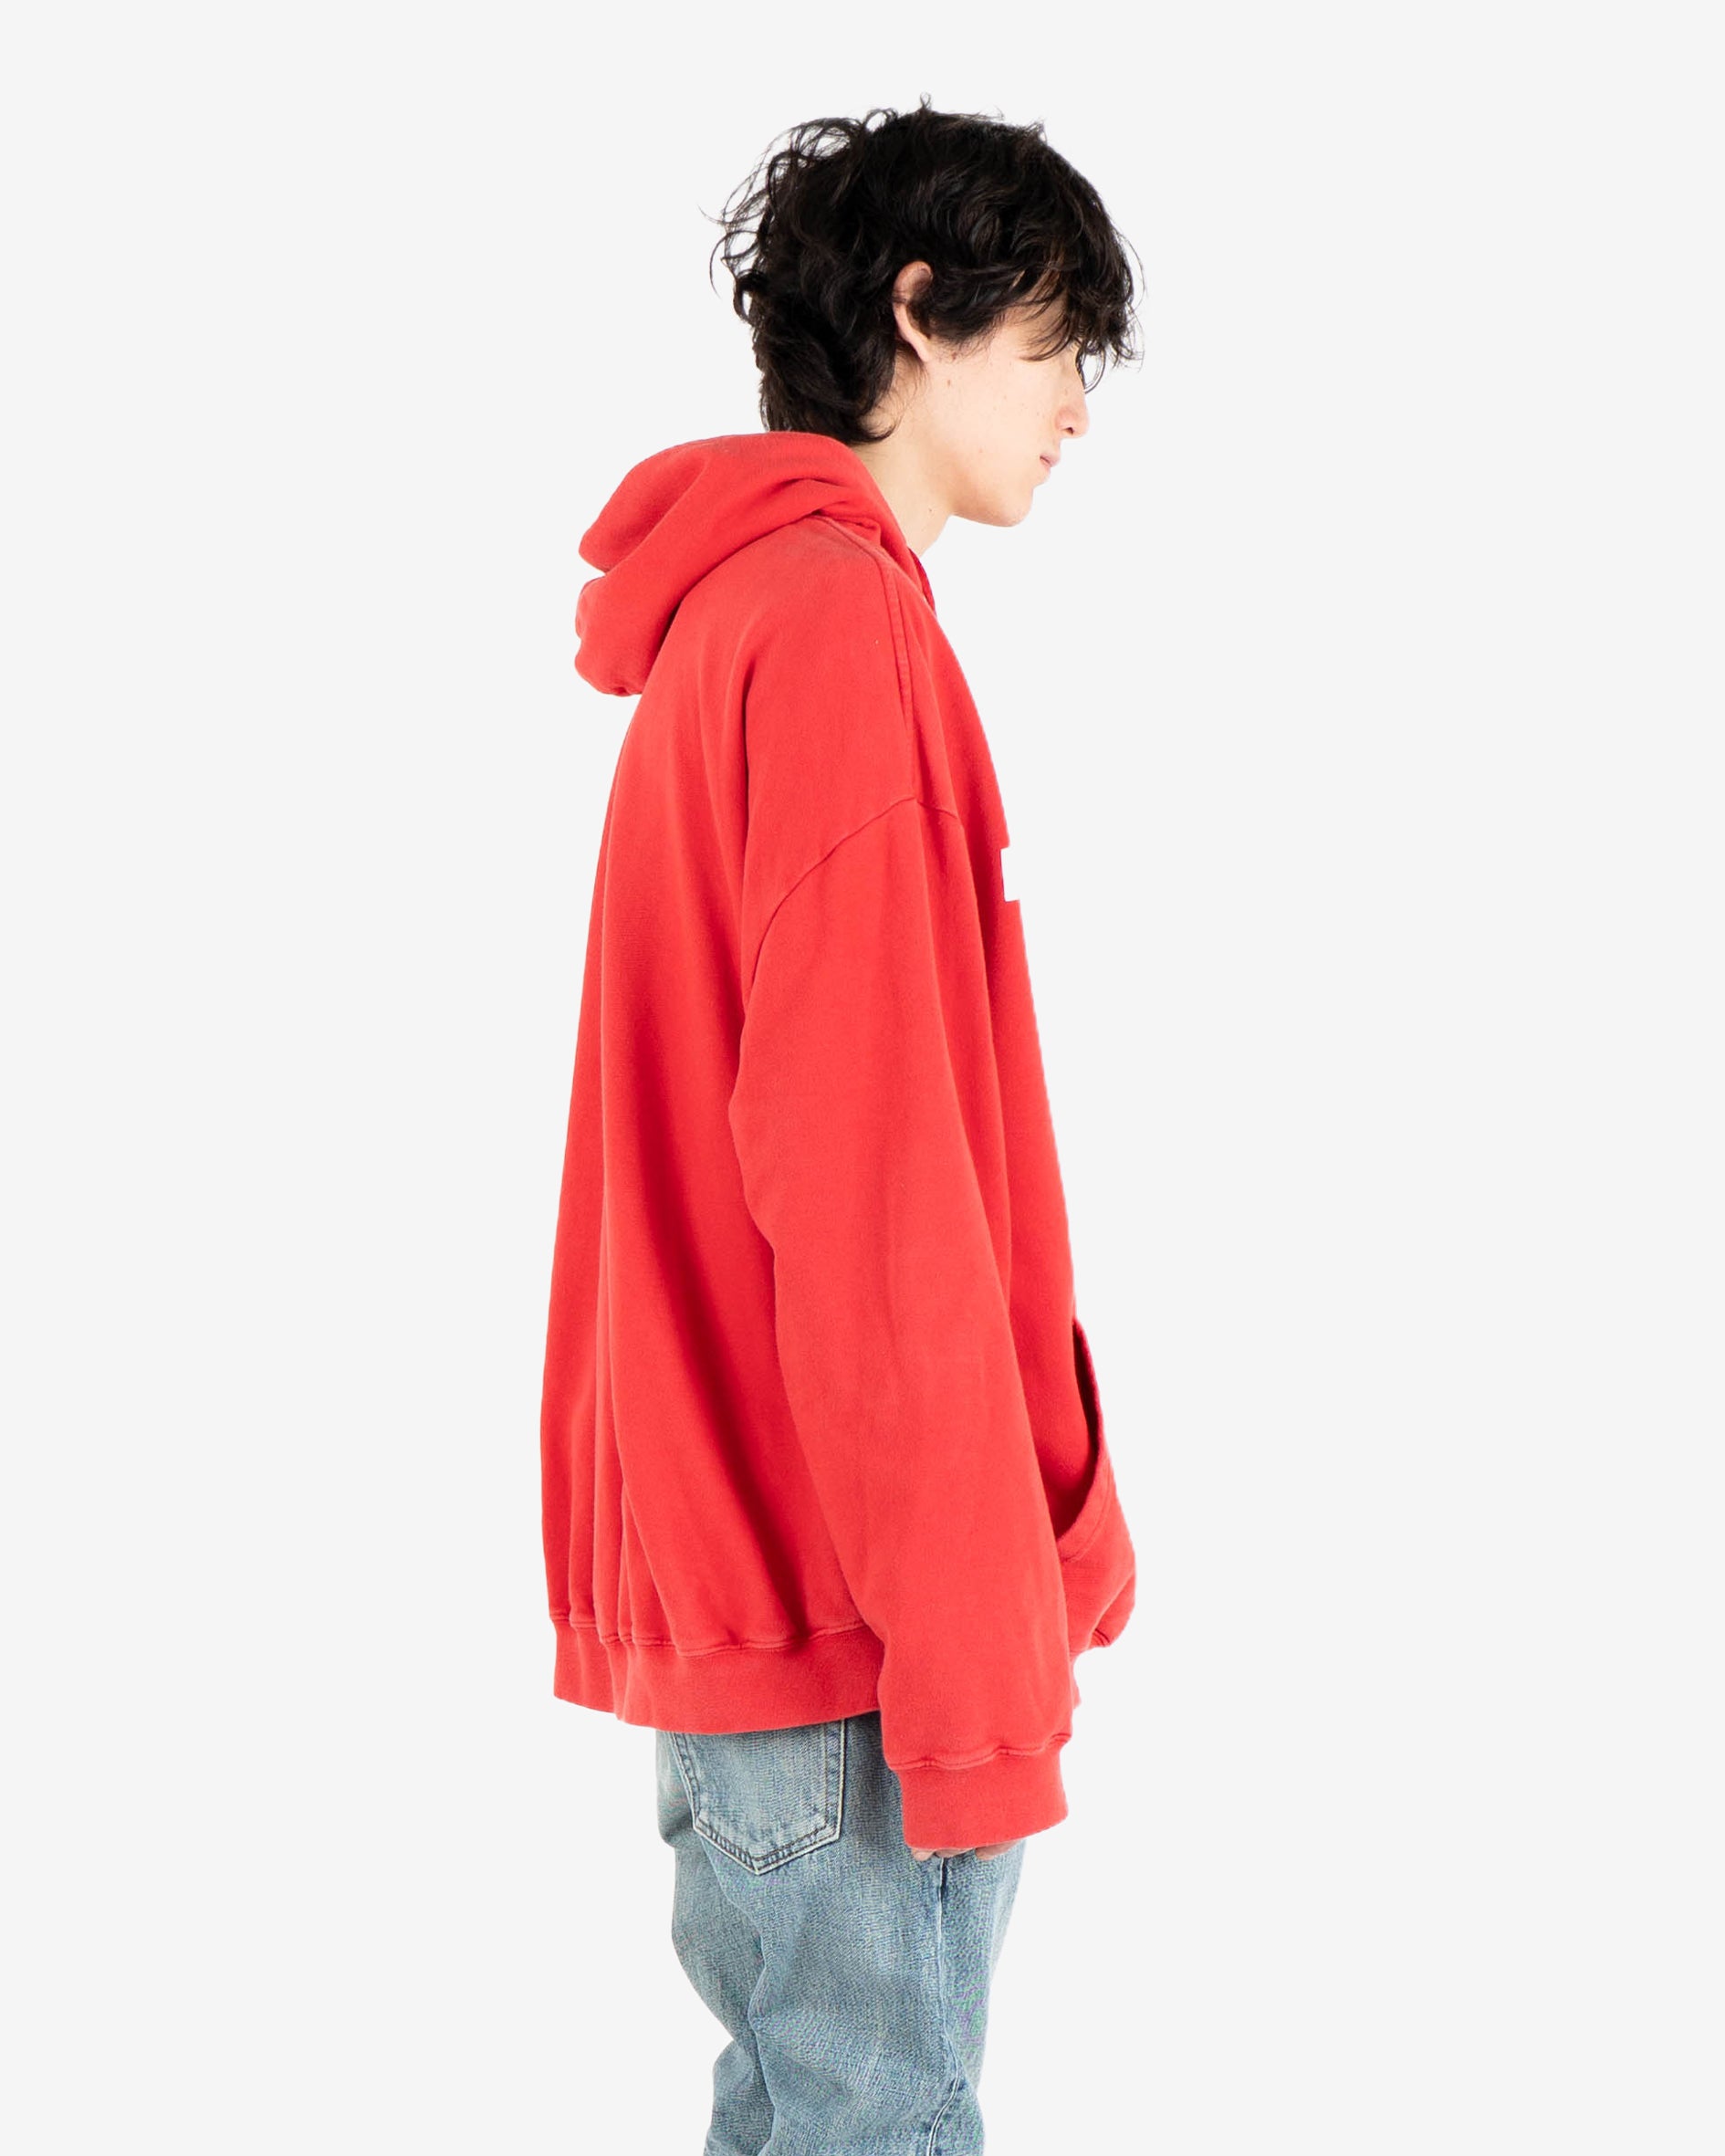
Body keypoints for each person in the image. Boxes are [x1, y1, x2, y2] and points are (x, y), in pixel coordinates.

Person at [540, 99, 1143, 2153]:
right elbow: (869, 1184)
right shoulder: (826, 625)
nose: (1076, 405)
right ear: (918, 313)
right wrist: (978, 1647)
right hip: (852, 1615)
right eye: (1052, 342)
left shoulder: (741, 617)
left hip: (765, 1592)